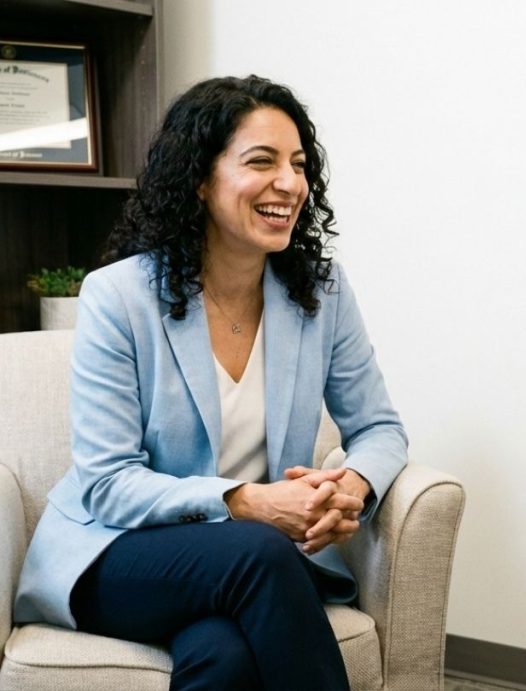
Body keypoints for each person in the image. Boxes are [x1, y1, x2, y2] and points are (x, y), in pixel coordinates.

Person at [13, 75, 408, 690]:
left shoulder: (320, 292)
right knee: (259, 552)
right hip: (121, 552)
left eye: (299, 165)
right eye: (262, 161)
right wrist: (246, 503)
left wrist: (352, 487)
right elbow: (108, 483)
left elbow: (380, 429)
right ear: (200, 179)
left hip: (249, 564)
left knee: (222, 656)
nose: (289, 183)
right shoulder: (118, 296)